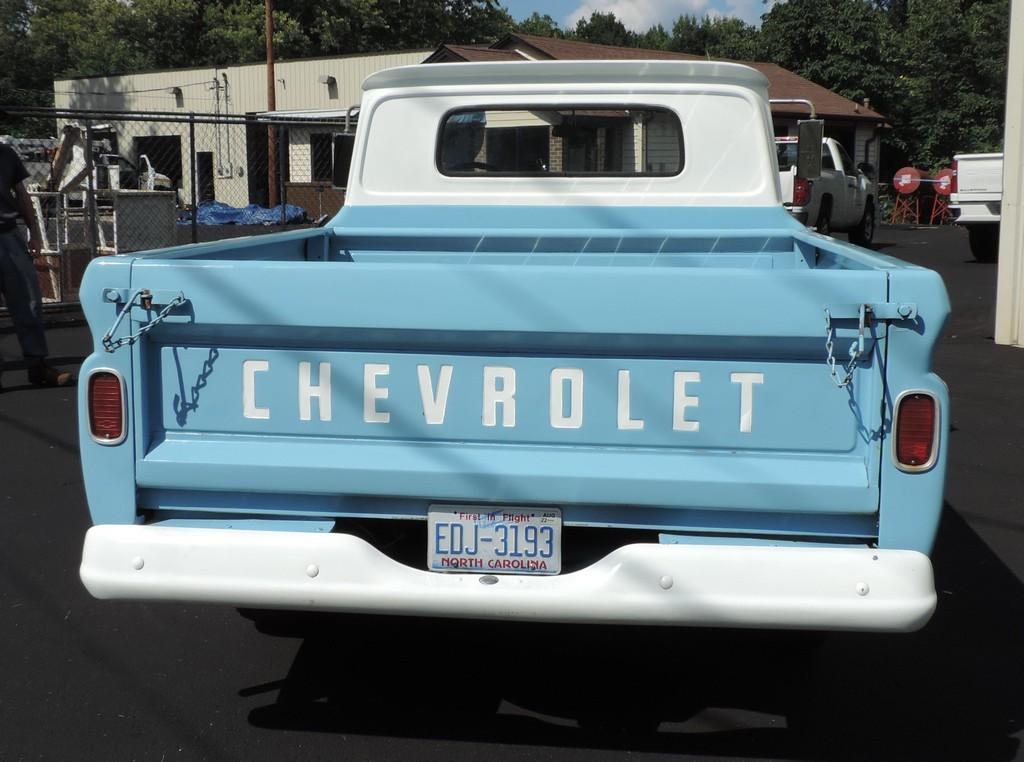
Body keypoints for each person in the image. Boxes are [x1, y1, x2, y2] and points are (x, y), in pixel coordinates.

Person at [0, 141, 72, 390]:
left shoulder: (6, 154)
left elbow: (20, 193)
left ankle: (37, 366)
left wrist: (34, 231)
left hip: (9, 236)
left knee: (29, 301)